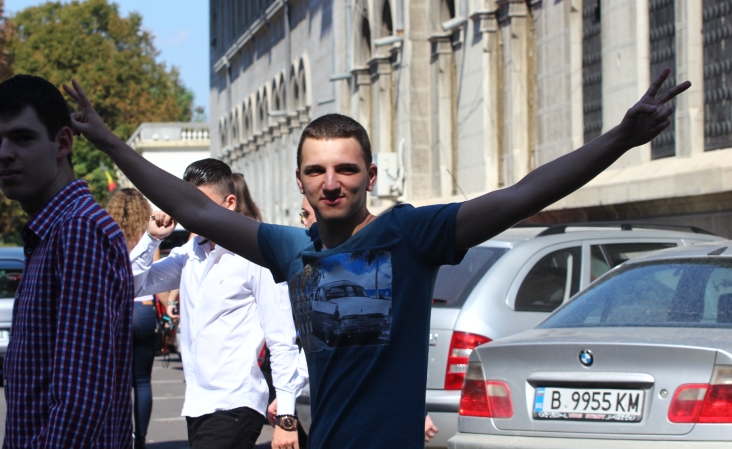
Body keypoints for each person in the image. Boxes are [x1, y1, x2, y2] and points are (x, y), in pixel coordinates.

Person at [64, 68, 689, 448]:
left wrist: (620, 139)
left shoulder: (412, 236)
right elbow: (197, 211)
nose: (331, 182)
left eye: (345, 169)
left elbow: (523, 193)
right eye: (317, 171)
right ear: (301, 181)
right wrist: (111, 140)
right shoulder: (290, 248)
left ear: (370, 175)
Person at [0, 75, 133, 448]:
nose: (4, 154)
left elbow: (78, 404)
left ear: (63, 142)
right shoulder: (53, 232)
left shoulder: (78, 231)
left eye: (22, 138)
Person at [130, 159, 306, 449]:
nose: (191, 213)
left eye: (200, 204)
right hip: (197, 403)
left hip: (236, 403)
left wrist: (287, 417)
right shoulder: (190, 252)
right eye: (185, 202)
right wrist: (151, 239)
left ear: (230, 202)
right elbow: (133, 284)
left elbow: (281, 338)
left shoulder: (255, 253)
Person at [106, 188, 171, 449]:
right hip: (143, 308)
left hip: (117, 309)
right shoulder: (146, 231)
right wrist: (168, 309)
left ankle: (120, 435)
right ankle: (141, 439)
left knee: (117, 378)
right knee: (142, 380)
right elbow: (152, 272)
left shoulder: (108, 232)